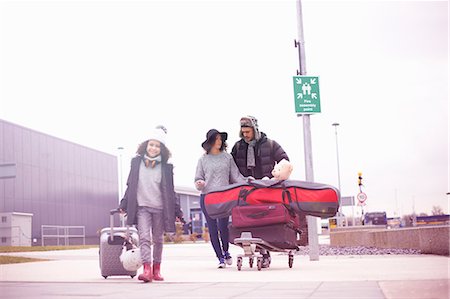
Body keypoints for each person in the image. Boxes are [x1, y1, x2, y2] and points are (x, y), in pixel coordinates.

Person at [119, 126, 183, 283]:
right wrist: (124, 204)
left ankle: (157, 269)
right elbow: (130, 185)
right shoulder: (136, 163)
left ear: (161, 149)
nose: (153, 148)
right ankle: (146, 269)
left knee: (158, 239)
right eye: (151, 144)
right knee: (145, 238)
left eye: (157, 145)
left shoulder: (166, 168)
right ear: (145, 146)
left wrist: (178, 212)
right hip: (142, 208)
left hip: (160, 209)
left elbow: (171, 191)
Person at [230, 115, 290, 268]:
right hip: (247, 190)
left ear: (255, 129)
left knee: (264, 221)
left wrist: (274, 176)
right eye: (243, 131)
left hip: (267, 188)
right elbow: (231, 167)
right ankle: (258, 251)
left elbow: (284, 160)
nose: (245, 135)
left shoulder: (270, 145)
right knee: (250, 221)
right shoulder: (238, 147)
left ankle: (265, 253)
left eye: (247, 131)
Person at [194, 129, 246, 268]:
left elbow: (236, 176)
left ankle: (226, 251)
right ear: (210, 141)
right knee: (212, 228)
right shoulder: (203, 160)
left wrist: (247, 181)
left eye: (220, 139)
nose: (219, 141)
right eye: (216, 139)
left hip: (224, 197)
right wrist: (200, 183)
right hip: (207, 197)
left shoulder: (227, 157)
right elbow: (198, 178)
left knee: (224, 226)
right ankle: (220, 258)